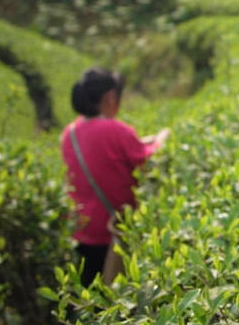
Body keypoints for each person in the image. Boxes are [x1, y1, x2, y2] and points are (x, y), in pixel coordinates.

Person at [61, 67, 170, 286]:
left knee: (91, 294)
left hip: (82, 230)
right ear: (111, 97)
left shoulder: (69, 134)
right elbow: (147, 159)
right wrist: (162, 139)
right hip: (112, 231)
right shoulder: (116, 130)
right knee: (117, 295)